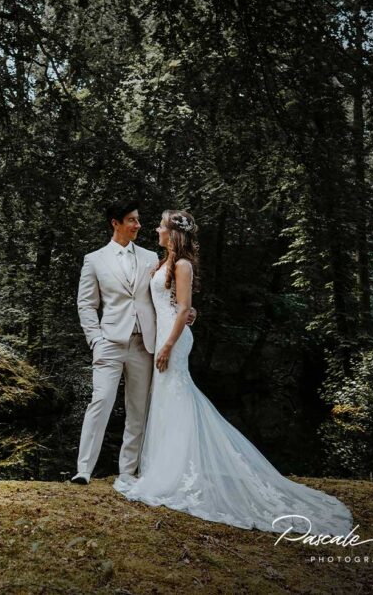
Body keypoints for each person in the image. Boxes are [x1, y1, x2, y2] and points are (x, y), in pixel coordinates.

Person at [112, 210, 355, 536]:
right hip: (165, 334)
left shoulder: (182, 265)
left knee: (177, 397)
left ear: (173, 233)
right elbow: (176, 304)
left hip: (173, 339)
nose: (156, 229)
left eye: (161, 226)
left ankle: (176, 472)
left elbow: (183, 309)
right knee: (169, 399)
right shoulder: (162, 263)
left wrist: (169, 344)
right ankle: (168, 466)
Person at [70, 201, 194, 485]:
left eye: (138, 219)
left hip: (145, 344)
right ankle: (84, 470)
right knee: (100, 401)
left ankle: (128, 471)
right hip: (109, 342)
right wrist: (95, 339)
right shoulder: (94, 260)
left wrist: (187, 311)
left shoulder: (152, 258)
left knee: (138, 410)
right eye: (131, 220)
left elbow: (167, 294)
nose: (138, 225)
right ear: (115, 223)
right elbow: (86, 305)